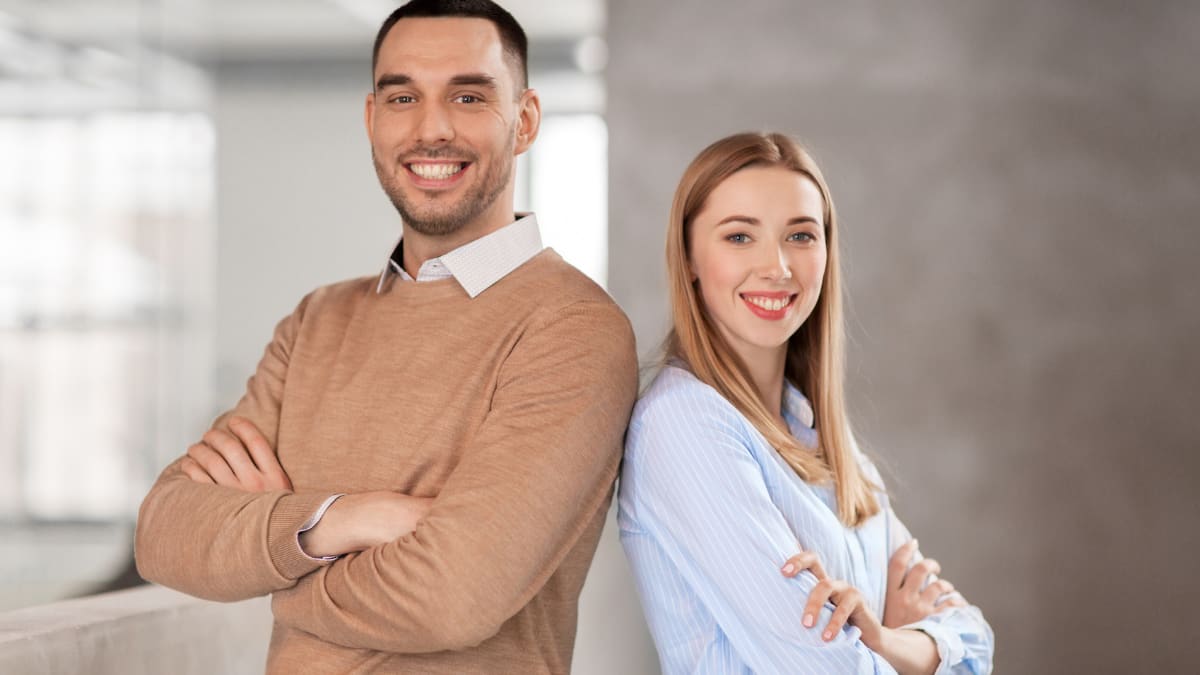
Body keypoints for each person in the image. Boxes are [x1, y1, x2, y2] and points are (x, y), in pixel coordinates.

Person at [134, 1, 638, 673]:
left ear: (525, 120)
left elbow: (451, 595)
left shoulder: (572, 328)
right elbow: (164, 530)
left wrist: (277, 560)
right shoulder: (316, 322)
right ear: (373, 120)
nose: (432, 129)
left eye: (468, 95)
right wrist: (343, 519)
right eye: (403, 96)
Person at [618, 132, 994, 674]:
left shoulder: (825, 443)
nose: (778, 267)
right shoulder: (684, 426)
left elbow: (977, 643)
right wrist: (916, 647)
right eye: (740, 237)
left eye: (800, 235)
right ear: (690, 258)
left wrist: (886, 643)